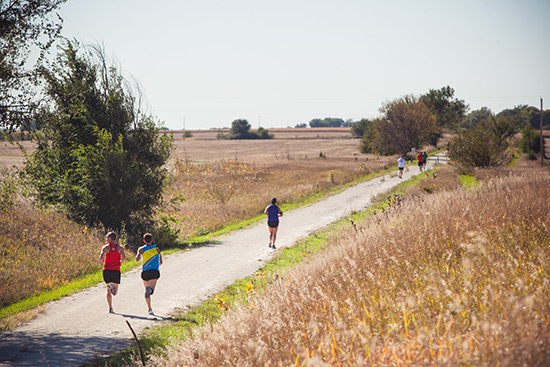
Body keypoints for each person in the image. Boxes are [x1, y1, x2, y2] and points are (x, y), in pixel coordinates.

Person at [135, 233, 163, 315]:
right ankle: (149, 290)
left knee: (146, 289)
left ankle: (149, 309)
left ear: (144, 241)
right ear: (152, 240)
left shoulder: (141, 249)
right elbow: (161, 262)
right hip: (154, 271)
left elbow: (137, 259)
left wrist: (140, 254)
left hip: (145, 272)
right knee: (151, 291)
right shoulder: (157, 249)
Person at [99, 232, 126, 313]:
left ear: (110, 238)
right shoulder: (120, 248)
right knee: (115, 292)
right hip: (116, 270)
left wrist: (103, 260)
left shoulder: (105, 247)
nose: (106, 239)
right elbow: (124, 258)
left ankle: (110, 308)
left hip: (107, 270)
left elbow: (100, 257)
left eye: (107, 237)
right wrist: (120, 262)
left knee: (108, 291)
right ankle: (112, 288)